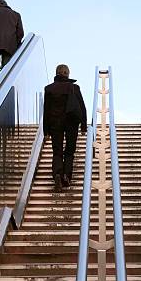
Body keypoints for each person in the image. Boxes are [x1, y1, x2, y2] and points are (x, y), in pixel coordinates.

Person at [43, 64, 87, 192]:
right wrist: (83, 126)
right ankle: (67, 175)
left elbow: (46, 111)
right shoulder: (74, 88)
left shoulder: (49, 89)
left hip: (55, 123)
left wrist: (46, 131)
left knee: (57, 151)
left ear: (57, 73)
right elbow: (82, 107)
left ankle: (57, 173)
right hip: (71, 123)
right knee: (69, 151)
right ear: (67, 73)